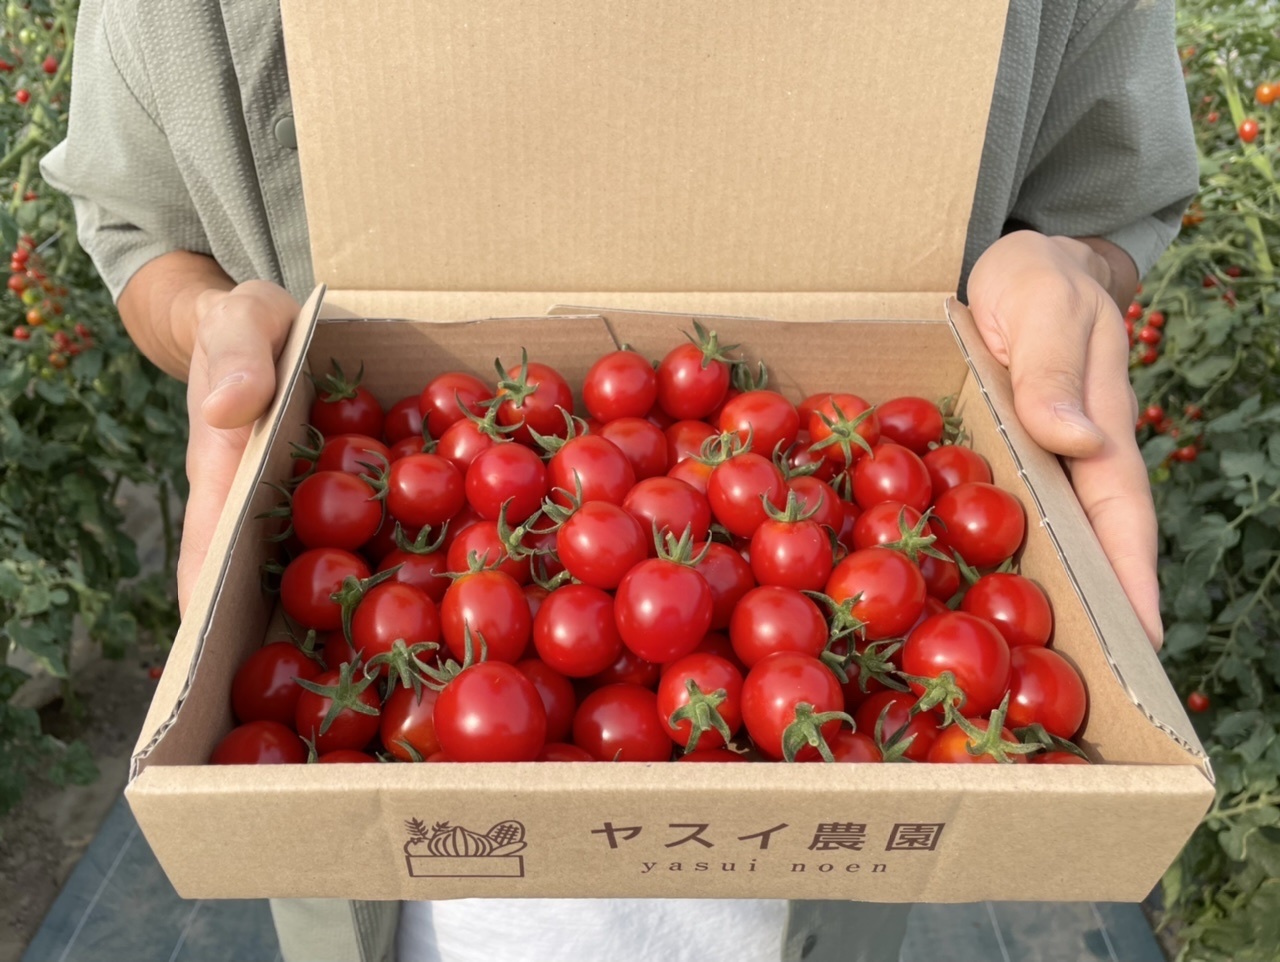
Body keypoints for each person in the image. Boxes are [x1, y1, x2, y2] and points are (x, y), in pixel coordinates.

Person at [41, 0, 1195, 960]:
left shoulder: (740, 592)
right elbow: (144, 230)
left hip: (836, 830)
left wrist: (1063, 266)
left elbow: (1101, 205)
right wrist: (209, 320)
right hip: (392, 857)